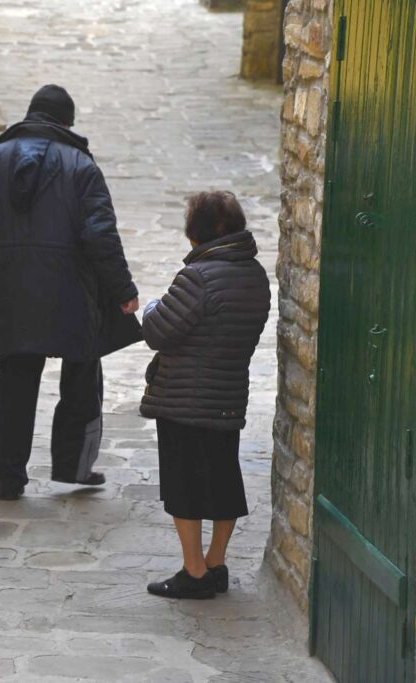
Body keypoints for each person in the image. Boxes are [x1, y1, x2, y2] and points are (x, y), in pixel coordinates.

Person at [0, 84, 139, 501]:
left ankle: (9, 477)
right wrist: (122, 290)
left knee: (15, 380)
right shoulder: (81, 165)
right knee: (82, 375)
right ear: (66, 122)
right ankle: (75, 467)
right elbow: (100, 235)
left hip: (10, 290)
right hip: (73, 291)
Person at [141, 191, 270, 600]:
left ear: (196, 231)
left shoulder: (198, 276)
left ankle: (193, 571)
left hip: (185, 398)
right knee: (223, 479)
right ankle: (216, 561)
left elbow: (158, 330)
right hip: (228, 393)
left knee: (184, 486)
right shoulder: (255, 274)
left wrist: (151, 306)